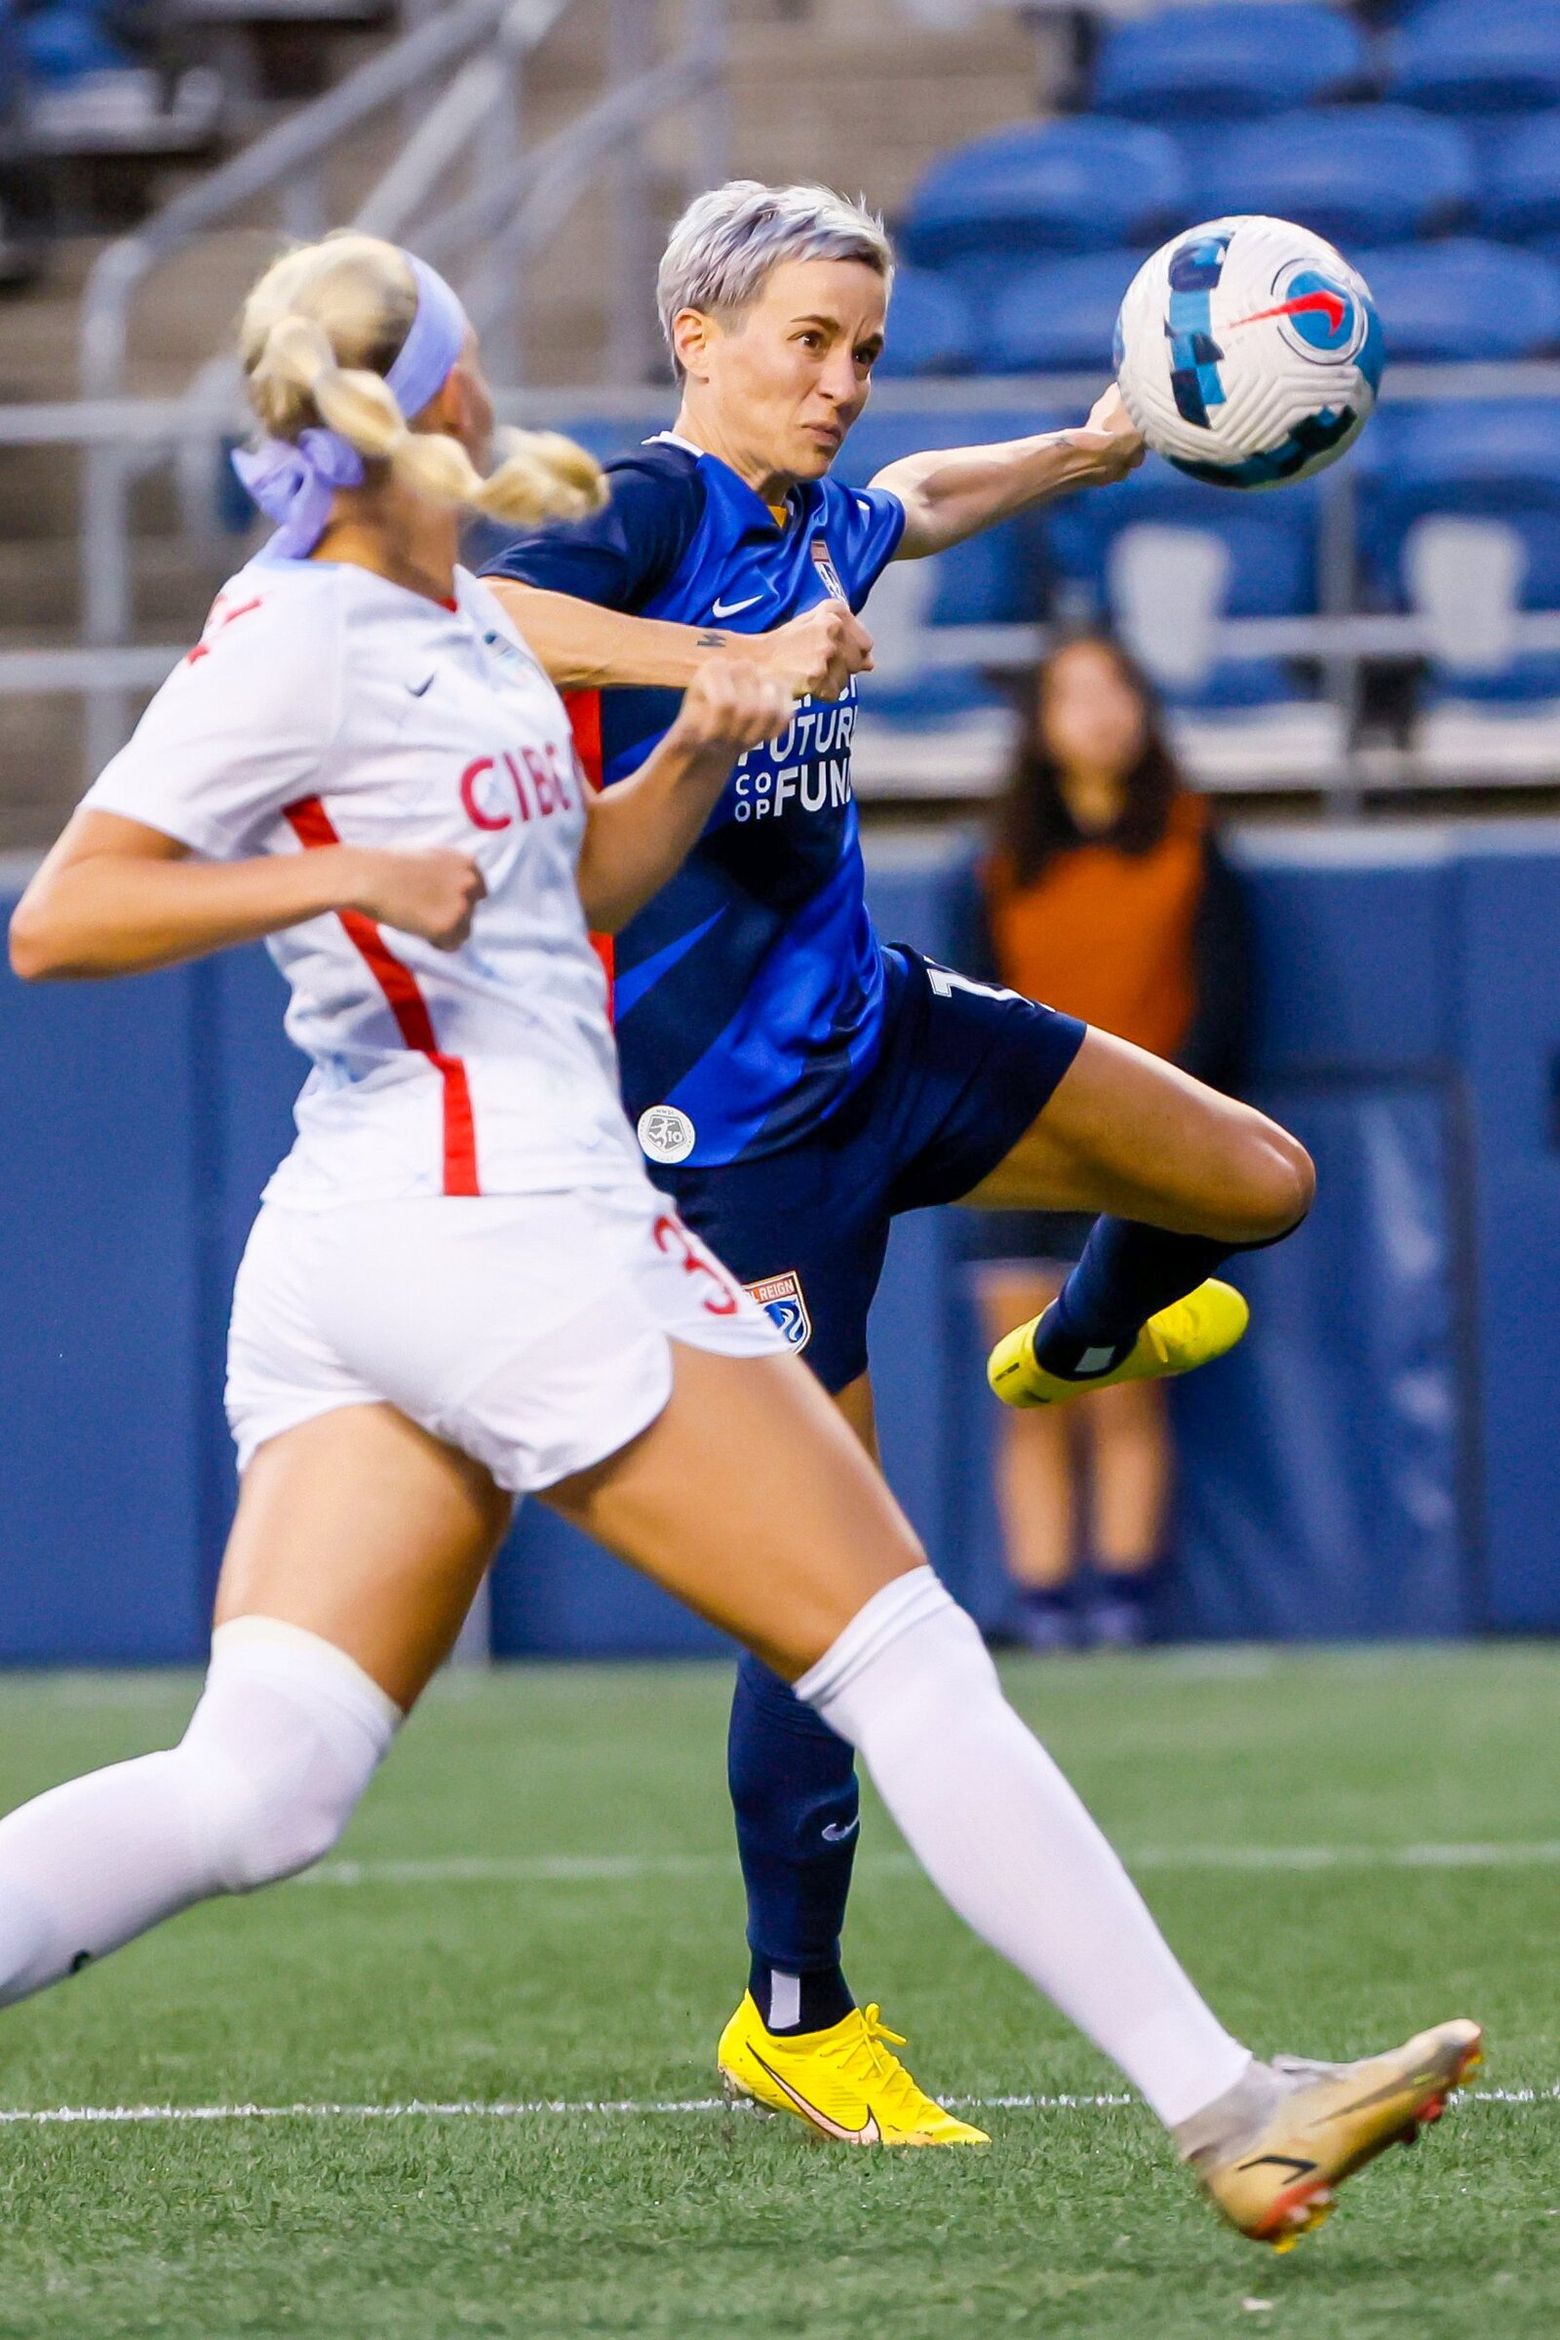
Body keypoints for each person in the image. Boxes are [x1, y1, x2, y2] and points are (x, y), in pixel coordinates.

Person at [3, 229, 1477, 2255]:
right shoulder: (315, 630)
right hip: (510, 1219)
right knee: (903, 1645)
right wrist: (358, 869)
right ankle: (1232, 2104)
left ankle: (1199, 2089)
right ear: (424, 400)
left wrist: (702, 736)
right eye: (467, 370)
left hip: (381, 1235)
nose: (496, 398)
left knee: (262, 1787)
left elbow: (592, 871)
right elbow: (61, 917)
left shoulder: (439, 616)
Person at [479, 179, 1316, 2138]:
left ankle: (1090, 1342)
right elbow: (485, 607)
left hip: (893, 1041)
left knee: (1255, 1182)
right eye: (809, 343)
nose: (845, 382)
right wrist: (703, 667)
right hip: (732, 1149)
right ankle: (798, 2011)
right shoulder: (661, 510)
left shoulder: (816, 510)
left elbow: (922, 496)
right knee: (839, 1599)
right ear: (702, 339)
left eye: (862, 346)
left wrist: (1096, 444)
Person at [974, 633, 1254, 1653]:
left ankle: (1127, 1599)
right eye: (1070, 695)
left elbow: (1225, 1006)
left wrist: (1155, 1131)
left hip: (1146, 1161)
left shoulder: (1189, 837)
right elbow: (974, 1015)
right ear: (1040, 726)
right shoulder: (1001, 862)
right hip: (1021, 1156)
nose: (1096, 713)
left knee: (1126, 1388)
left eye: (1114, 691)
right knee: (1030, 1390)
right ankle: (1045, 1604)